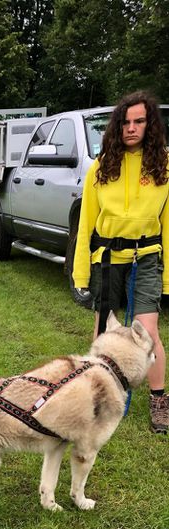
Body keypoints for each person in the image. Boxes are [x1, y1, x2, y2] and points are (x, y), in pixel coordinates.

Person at [73, 91, 169, 434]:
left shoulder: (164, 167)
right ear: (117, 126)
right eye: (126, 122)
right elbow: (86, 224)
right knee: (103, 329)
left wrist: (167, 276)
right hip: (109, 259)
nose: (131, 128)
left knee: (149, 332)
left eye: (139, 121)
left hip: (147, 258)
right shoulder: (101, 168)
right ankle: (98, 395)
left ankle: (159, 399)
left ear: (150, 124)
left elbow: (168, 224)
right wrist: (81, 272)